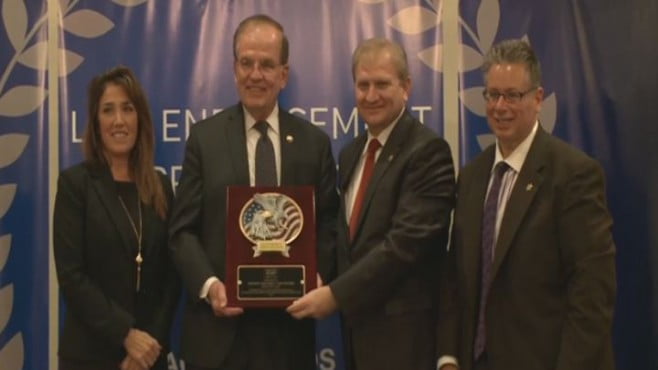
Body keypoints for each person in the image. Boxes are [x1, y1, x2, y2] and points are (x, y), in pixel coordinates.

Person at [168, 14, 339, 370]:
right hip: (218, 340)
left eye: (266, 64)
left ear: (283, 74)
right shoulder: (204, 140)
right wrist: (211, 285)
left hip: (289, 340)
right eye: (246, 63)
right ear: (234, 68)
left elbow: (329, 225)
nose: (255, 74)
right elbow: (181, 232)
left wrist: (317, 274)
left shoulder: (314, 144)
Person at [436, 39, 616, 370]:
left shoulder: (574, 174)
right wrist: (448, 357)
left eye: (512, 95)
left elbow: (592, 293)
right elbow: (455, 277)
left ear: (537, 99)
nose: (500, 106)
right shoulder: (472, 177)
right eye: (492, 94)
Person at [288, 38, 456, 370]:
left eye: (382, 84)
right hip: (356, 334)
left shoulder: (428, 152)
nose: (371, 95)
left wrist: (335, 294)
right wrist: (316, 274)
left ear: (406, 87)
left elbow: (403, 246)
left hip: (405, 338)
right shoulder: (352, 153)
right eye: (363, 85)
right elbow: (346, 238)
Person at [53, 66, 179, 370]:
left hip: (149, 356)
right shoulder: (75, 184)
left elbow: (172, 276)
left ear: (141, 119)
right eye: (108, 110)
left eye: (128, 109)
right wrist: (125, 334)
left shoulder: (160, 187)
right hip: (89, 354)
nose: (119, 120)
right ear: (96, 123)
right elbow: (72, 276)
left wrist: (147, 344)